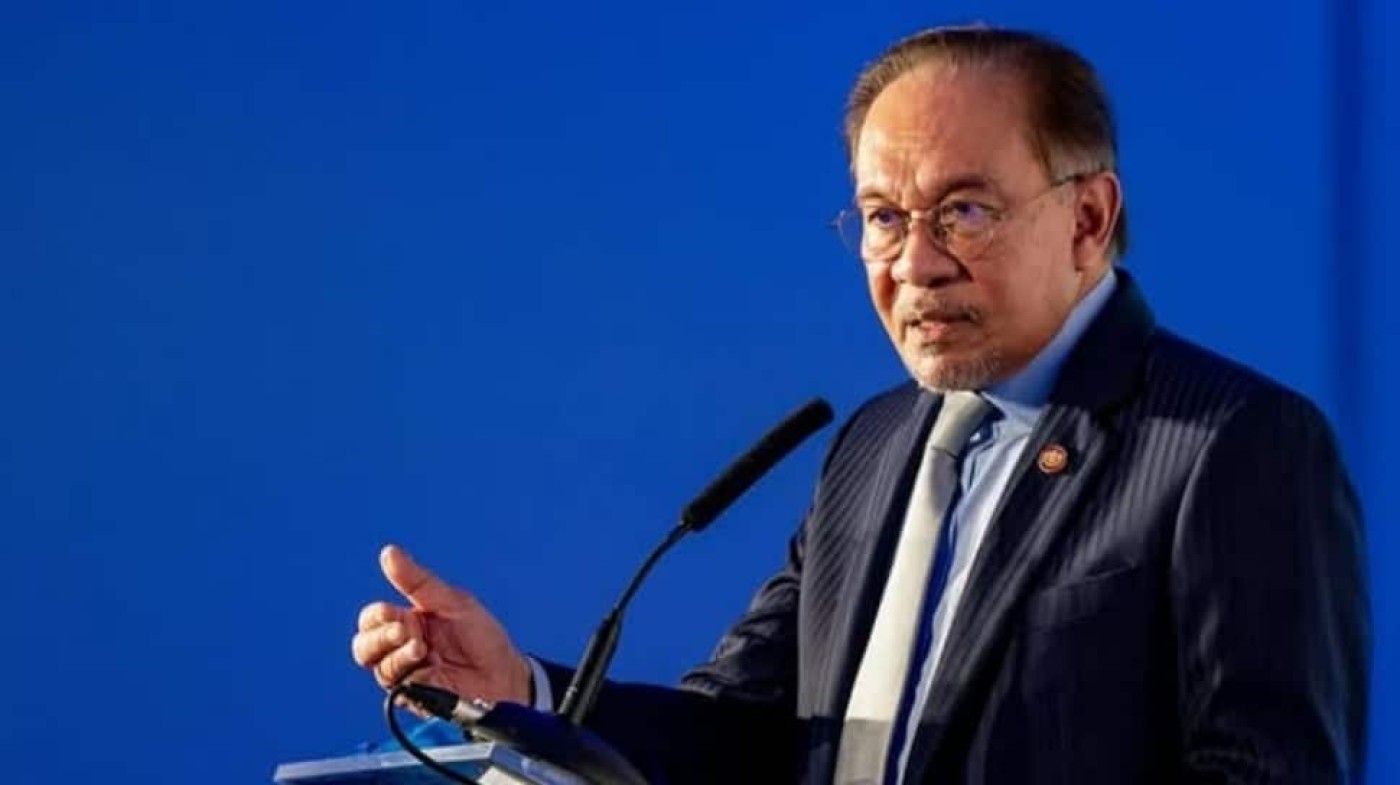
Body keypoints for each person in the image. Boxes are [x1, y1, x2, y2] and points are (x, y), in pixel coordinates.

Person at [350, 24, 1370, 784]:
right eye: (883, 217)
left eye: (962, 210)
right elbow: (745, 735)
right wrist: (520, 692)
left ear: (1088, 217)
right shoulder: (873, 446)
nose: (914, 263)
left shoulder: (1231, 442)